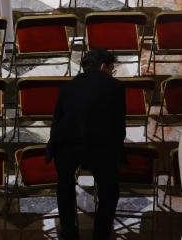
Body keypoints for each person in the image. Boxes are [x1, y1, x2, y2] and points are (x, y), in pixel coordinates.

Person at [47, 49, 126, 240]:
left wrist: (53, 148)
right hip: (100, 144)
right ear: (103, 66)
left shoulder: (68, 86)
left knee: (64, 187)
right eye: (111, 68)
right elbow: (118, 124)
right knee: (109, 191)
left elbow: (57, 119)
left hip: (66, 144)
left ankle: (69, 232)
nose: (111, 72)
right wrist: (118, 152)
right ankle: (100, 234)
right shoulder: (115, 86)